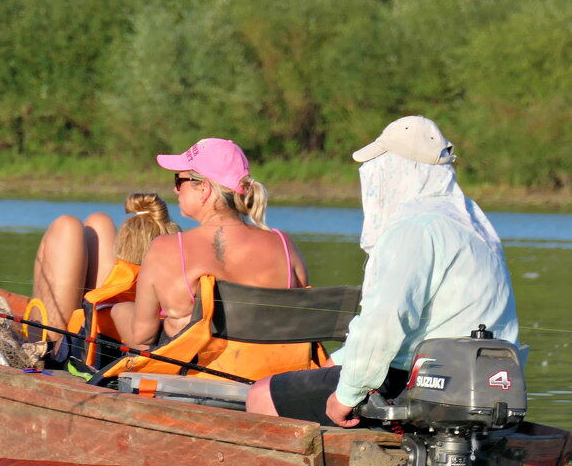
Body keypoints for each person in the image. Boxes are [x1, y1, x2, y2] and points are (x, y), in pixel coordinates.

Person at [245, 116, 518, 427]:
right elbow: (422, 325)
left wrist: (345, 397)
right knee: (332, 371)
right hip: (483, 382)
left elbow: (385, 323)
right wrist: (341, 362)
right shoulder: (473, 223)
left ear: (397, 170)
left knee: (261, 395)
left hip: (418, 382)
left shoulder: (415, 227)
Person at [115, 137, 309, 348]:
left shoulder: (167, 248)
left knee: (118, 310)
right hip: (270, 369)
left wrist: (116, 311)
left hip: (197, 371)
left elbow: (143, 336)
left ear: (204, 188)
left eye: (179, 181)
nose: (175, 190)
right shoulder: (283, 244)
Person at [32, 193, 180, 353]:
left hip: (78, 351)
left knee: (67, 226)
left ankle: (41, 346)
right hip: (109, 332)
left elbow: (144, 339)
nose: (176, 189)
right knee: (99, 222)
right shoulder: (193, 266)